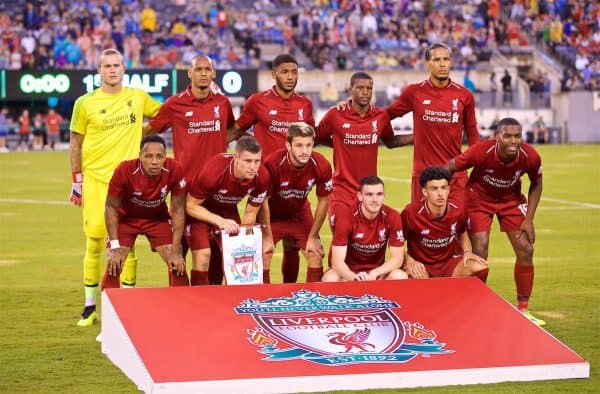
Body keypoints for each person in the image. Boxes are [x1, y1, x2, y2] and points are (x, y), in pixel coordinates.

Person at [69, 48, 161, 327]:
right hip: (97, 181)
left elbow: (167, 113)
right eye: (106, 66)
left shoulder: (137, 97)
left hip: (129, 184)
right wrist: (77, 181)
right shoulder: (84, 103)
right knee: (95, 240)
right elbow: (75, 143)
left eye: (116, 65)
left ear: (124, 68)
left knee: (127, 244)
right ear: (99, 71)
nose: (112, 70)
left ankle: (127, 306)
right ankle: (89, 307)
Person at [143, 55, 235, 285]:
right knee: (180, 248)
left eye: (208, 69)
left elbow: (232, 130)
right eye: (199, 69)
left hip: (219, 190)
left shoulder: (222, 103)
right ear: (189, 73)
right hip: (185, 191)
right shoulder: (175, 104)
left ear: (214, 73)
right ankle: (179, 301)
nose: (203, 73)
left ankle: (210, 298)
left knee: (219, 252)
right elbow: (148, 131)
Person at [445, 117, 545, 326]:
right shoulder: (481, 151)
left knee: (526, 249)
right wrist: (444, 193)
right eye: (507, 136)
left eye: (517, 136)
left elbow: (536, 183)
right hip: (478, 200)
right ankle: (475, 306)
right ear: (497, 137)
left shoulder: (530, 156)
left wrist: (529, 219)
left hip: (510, 200)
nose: (513, 141)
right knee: (479, 252)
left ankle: (524, 310)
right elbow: (450, 166)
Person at [234, 53, 315, 283]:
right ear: (274, 74)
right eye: (284, 72)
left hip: (297, 188)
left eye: (294, 72)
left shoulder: (305, 105)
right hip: (265, 188)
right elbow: (236, 131)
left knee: (294, 247)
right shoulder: (258, 102)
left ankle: (290, 293)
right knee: (264, 251)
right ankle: (262, 297)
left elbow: (311, 137)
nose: (290, 77)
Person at [386, 42, 480, 205]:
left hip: (455, 176)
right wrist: (354, 108)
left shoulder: (464, 96)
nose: (442, 64)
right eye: (437, 60)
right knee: (421, 227)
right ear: (428, 64)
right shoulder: (414, 92)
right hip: (423, 176)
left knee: (459, 229)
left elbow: (473, 135)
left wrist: (481, 166)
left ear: (451, 62)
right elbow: (385, 115)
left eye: (446, 59)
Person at [317, 71, 411, 234]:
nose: (365, 91)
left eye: (369, 88)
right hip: (342, 190)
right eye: (360, 87)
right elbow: (317, 137)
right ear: (350, 90)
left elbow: (390, 141)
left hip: (369, 190)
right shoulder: (335, 114)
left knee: (365, 240)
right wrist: (338, 144)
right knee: (341, 236)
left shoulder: (380, 116)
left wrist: (419, 136)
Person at [102, 135, 189, 289]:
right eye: (149, 156)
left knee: (178, 265)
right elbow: (110, 208)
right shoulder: (124, 170)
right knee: (114, 265)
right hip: (125, 219)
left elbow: (178, 209)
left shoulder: (175, 169)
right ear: (140, 156)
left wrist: (176, 249)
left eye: (159, 156)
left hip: (157, 219)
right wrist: (114, 246)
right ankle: (110, 311)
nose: (154, 161)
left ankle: (182, 309)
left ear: (165, 157)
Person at [185, 135, 272, 285]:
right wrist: (220, 221)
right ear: (236, 157)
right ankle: (197, 301)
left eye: (257, 161)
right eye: (247, 161)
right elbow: (191, 206)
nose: (253, 167)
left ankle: (224, 296)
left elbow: (251, 213)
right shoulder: (214, 171)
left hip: (227, 210)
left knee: (235, 255)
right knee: (204, 254)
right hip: (200, 210)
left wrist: (243, 240)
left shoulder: (262, 176)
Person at [262, 122, 333, 283]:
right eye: (299, 145)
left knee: (315, 253)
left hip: (299, 214)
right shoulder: (272, 163)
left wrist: (313, 236)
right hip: (272, 216)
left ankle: (312, 299)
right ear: (288, 145)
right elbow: (262, 202)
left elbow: (324, 200)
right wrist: (266, 236)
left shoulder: (321, 164)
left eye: (309, 145)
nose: (305, 151)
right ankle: (263, 301)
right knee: (263, 253)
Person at [401, 166, 489, 281]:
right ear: (424, 192)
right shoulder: (411, 213)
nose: (440, 193)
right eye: (434, 189)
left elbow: (462, 232)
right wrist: (410, 261)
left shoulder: (457, 210)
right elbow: (396, 243)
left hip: (448, 263)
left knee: (480, 267)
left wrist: (467, 251)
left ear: (448, 190)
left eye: (443, 188)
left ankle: (468, 298)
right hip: (422, 266)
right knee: (417, 277)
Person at [322, 176, 407, 282]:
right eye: (369, 194)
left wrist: (375, 273)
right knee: (331, 278)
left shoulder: (393, 217)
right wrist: (353, 277)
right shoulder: (346, 217)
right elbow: (337, 262)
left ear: (384, 196)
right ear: (360, 196)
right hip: (349, 273)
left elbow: (397, 259)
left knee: (399, 276)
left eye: (379, 194)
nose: (375, 200)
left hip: (376, 272)